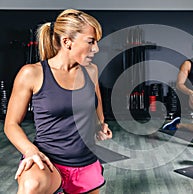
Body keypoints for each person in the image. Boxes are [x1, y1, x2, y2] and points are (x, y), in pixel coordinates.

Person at [4, 9, 112, 194]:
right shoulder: (32, 73)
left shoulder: (91, 71)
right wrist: (30, 151)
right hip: (48, 162)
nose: (96, 49)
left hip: (85, 162)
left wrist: (101, 126)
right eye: (90, 41)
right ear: (67, 42)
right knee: (32, 186)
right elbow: (11, 124)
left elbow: (96, 109)